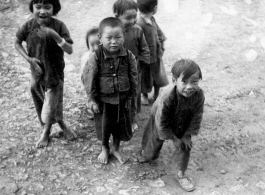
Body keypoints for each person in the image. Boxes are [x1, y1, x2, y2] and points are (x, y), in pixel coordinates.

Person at [14, 0, 76, 148]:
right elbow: (17, 42)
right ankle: (60, 123)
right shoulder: (28, 26)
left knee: (52, 102)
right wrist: (29, 59)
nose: (42, 11)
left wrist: (54, 35)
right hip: (37, 73)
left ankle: (46, 132)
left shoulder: (59, 26)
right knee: (41, 101)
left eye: (47, 7)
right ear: (32, 8)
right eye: (38, 7)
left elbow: (69, 50)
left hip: (54, 73)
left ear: (54, 9)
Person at [138, 59, 205, 192]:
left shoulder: (199, 95)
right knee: (153, 143)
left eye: (194, 82)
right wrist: (174, 137)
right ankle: (146, 153)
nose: (190, 86)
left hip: (183, 120)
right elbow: (161, 121)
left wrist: (186, 135)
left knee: (185, 145)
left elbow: (196, 117)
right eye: (184, 82)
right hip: (161, 118)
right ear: (174, 81)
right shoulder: (168, 96)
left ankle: (180, 173)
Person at [82, 17, 138, 165]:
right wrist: (92, 99)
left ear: (124, 36)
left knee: (120, 126)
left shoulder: (129, 56)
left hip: (123, 99)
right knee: (104, 128)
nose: (114, 41)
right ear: (100, 38)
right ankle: (105, 148)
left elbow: (134, 77)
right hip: (104, 102)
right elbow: (88, 78)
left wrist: (131, 97)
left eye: (118, 37)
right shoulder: (95, 57)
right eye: (109, 38)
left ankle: (116, 148)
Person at [113, 0, 150, 133]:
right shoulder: (112, 31)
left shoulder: (137, 30)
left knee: (133, 95)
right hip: (116, 70)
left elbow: (144, 49)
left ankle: (132, 119)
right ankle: (118, 117)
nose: (133, 20)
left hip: (134, 70)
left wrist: (143, 63)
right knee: (118, 94)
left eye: (135, 16)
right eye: (128, 18)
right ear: (116, 16)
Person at [137, 0, 169, 105]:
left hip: (156, 54)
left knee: (157, 75)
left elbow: (158, 31)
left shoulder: (152, 19)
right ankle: (144, 95)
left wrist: (162, 39)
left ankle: (156, 94)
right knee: (145, 77)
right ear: (155, 8)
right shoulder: (139, 23)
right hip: (145, 58)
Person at [80, 27, 100, 119]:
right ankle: (90, 104)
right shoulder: (87, 58)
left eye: (99, 43)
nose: (96, 48)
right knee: (91, 95)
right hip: (90, 82)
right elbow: (85, 78)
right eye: (92, 45)